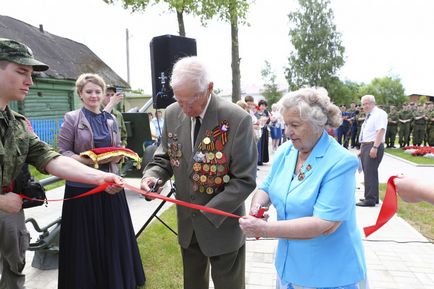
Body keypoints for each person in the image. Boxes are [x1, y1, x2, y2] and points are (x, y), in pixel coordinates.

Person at [0, 38, 123, 289]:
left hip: (10, 215)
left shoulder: (18, 124)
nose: (30, 81)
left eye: (31, 74)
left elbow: (52, 159)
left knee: (13, 272)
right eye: (21, 71)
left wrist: (102, 177)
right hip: (6, 204)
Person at [141, 56, 257, 289]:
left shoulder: (236, 119)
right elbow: (164, 156)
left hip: (222, 226)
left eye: (190, 102)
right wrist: (152, 176)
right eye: (179, 100)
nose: (184, 108)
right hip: (188, 227)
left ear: (209, 89)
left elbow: (244, 180)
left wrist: (208, 211)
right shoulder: (173, 113)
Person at [239, 87, 367, 289]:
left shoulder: (341, 162)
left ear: (317, 124)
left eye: (295, 125)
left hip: (327, 274)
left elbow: (322, 223)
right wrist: (256, 208)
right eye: (286, 124)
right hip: (289, 267)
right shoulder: (286, 151)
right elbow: (266, 187)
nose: (287, 131)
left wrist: (265, 229)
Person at [57, 73, 145, 289]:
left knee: (112, 237)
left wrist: (118, 156)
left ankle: (115, 280)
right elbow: (62, 153)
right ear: (80, 94)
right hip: (82, 188)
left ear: (103, 94)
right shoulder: (72, 118)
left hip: (110, 187)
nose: (94, 95)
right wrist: (87, 160)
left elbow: (116, 146)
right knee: (85, 242)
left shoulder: (111, 119)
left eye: (98, 91)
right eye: (89, 92)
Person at [357, 95, 388, 207]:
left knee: (370, 173)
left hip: (373, 145)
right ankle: (372, 197)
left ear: (373, 103)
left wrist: (375, 147)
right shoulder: (369, 116)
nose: (365, 106)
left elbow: (381, 130)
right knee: (369, 172)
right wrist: (361, 149)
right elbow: (366, 133)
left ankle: (369, 199)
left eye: (367, 103)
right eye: (363, 104)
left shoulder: (379, 113)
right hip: (367, 145)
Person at [256, 99, 270, 165]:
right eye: (261, 105)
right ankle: (258, 160)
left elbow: (268, 121)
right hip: (258, 130)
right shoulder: (256, 112)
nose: (263, 107)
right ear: (259, 105)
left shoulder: (266, 112)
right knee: (259, 144)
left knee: (264, 144)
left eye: (264, 105)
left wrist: (266, 121)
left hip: (264, 129)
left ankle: (262, 159)